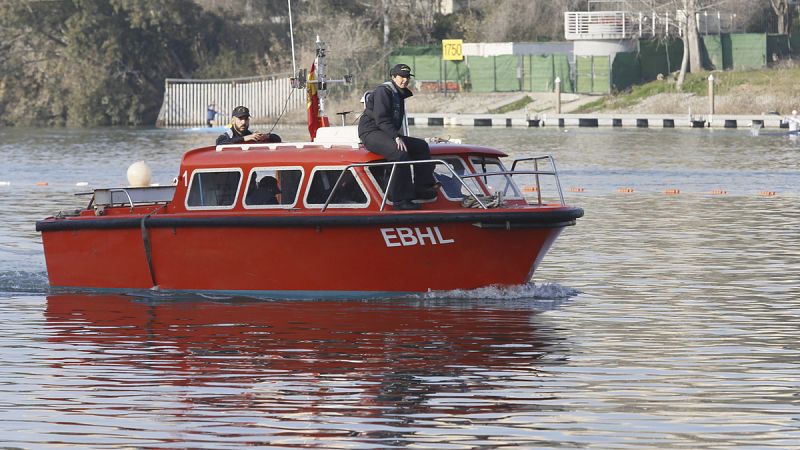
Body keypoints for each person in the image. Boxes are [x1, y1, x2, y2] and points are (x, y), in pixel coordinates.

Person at [358, 64, 438, 211]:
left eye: (407, 77)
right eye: (401, 77)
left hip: (385, 131)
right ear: (393, 77)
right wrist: (395, 136)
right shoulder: (384, 91)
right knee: (399, 153)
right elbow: (381, 119)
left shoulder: (399, 93)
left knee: (421, 146)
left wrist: (397, 135)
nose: (405, 80)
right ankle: (401, 200)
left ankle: (422, 188)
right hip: (371, 132)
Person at [216, 106, 281, 145]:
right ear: (233, 120)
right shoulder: (225, 136)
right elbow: (220, 144)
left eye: (246, 119)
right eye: (240, 119)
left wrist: (266, 137)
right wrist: (243, 139)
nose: (243, 122)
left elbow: (278, 139)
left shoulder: (252, 135)